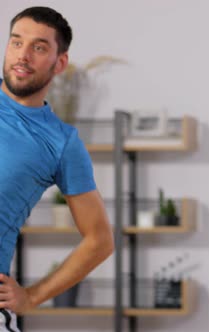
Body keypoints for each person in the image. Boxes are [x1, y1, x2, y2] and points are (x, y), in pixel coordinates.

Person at [0, 6, 114, 330]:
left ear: (59, 62)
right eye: (16, 42)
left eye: (39, 47)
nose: (23, 55)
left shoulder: (61, 143)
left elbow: (100, 239)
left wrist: (32, 297)